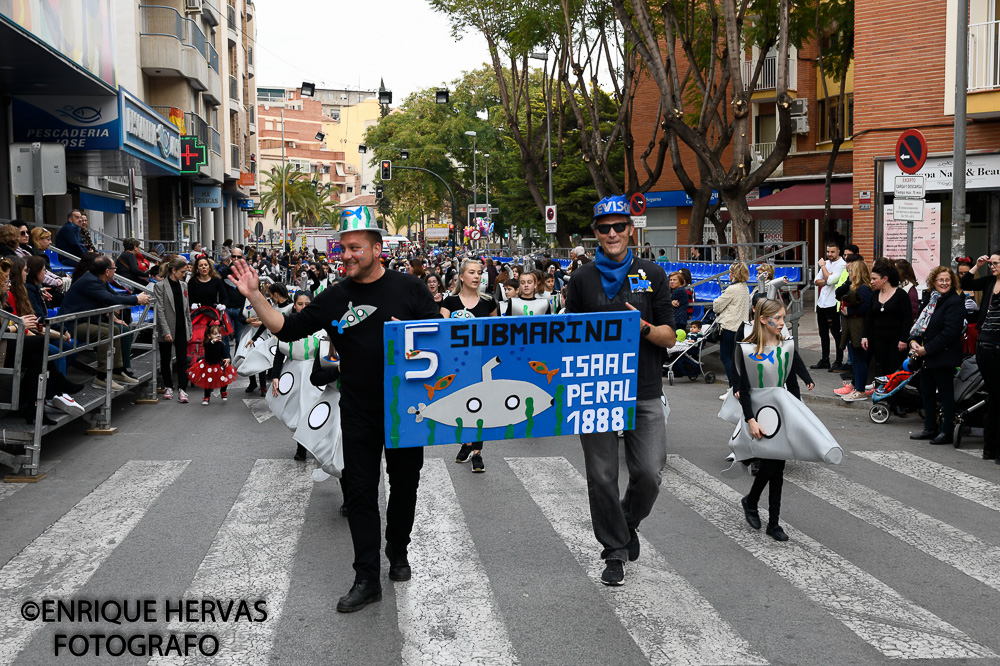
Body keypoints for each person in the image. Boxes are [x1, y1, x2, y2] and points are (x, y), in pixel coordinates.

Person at [227, 205, 440, 613]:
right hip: (357, 408)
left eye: (355, 248)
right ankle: (366, 577)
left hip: (407, 410)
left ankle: (398, 548)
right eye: (342, 249)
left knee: (406, 485)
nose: (346, 255)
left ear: (377, 249)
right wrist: (254, 294)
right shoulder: (335, 296)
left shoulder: (410, 289)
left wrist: (414, 336)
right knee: (359, 491)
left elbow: (444, 340)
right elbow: (287, 329)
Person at [565, 194, 675, 586]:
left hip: (643, 389)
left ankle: (628, 524)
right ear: (595, 234)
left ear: (630, 229)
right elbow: (566, 335)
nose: (611, 233)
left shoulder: (654, 275)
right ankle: (613, 549)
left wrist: (641, 326)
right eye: (603, 228)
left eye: (618, 226)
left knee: (649, 472)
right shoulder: (581, 279)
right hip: (594, 390)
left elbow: (670, 336)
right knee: (602, 476)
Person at [733, 299, 817, 542]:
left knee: (776, 467)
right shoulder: (747, 349)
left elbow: (790, 380)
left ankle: (770, 519)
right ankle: (755, 505)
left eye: (783, 318)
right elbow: (744, 388)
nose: (782, 323)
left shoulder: (786, 346)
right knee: (773, 466)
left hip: (780, 411)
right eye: (778, 318)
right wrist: (750, 419)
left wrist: (797, 411)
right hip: (760, 414)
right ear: (762, 319)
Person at [440, 258, 498, 473]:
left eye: (479, 272)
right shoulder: (450, 303)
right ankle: (466, 442)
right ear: (461, 276)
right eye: (472, 272)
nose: (476, 276)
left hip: (481, 362)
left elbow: (498, 333)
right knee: (463, 405)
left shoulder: (489, 302)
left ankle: (477, 453)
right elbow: (439, 329)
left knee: (481, 406)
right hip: (457, 364)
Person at [58, 255, 150, 390]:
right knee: (106, 333)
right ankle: (101, 377)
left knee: (117, 329)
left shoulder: (99, 279)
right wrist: (136, 299)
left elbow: (115, 296)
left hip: (86, 320)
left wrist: (135, 298)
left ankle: (117, 371)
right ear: (107, 271)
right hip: (71, 324)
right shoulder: (90, 281)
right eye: (114, 268)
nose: (115, 271)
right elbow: (109, 298)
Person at [908, 266, 966, 445]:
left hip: (943, 356)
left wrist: (927, 349)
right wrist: (913, 341)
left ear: (952, 282)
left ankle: (946, 431)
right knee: (927, 393)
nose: (944, 283)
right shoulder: (930, 299)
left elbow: (950, 332)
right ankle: (929, 428)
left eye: (947, 280)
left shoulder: (955, 301)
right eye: (940, 280)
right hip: (926, 356)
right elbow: (920, 323)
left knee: (946, 394)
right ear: (933, 281)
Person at [862, 258, 912, 416]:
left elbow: (907, 318)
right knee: (884, 370)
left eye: (874, 279)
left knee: (895, 372)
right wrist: (865, 336)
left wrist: (904, 339)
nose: (872, 281)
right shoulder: (874, 295)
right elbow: (869, 317)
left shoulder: (901, 295)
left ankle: (897, 402)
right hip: (878, 339)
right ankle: (889, 400)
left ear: (885, 279)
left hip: (897, 341)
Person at [962, 253, 1000, 459]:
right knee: (995, 397)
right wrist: (977, 265)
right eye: (991, 263)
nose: (992, 266)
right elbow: (965, 281)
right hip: (986, 346)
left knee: (995, 399)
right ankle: (993, 449)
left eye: (995, 263)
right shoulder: (989, 282)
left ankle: (990, 448)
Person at [153, 257, 192, 404]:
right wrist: (165, 330)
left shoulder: (183, 286)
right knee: (165, 358)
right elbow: (160, 310)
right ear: (173, 271)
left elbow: (186, 308)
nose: (184, 274)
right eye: (182, 272)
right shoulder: (160, 286)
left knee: (183, 359)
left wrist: (189, 327)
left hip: (182, 327)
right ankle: (168, 386)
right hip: (167, 327)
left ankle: (183, 389)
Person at [834, 260, 873, 402]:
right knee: (856, 361)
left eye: (850, 271)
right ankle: (857, 388)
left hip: (859, 331)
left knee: (859, 361)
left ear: (856, 273)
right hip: (854, 330)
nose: (848, 273)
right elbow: (838, 294)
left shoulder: (864, 289)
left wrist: (849, 311)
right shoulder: (855, 287)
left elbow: (868, 308)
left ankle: (860, 390)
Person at [713, 262, 751, 396]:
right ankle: (737, 386)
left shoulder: (732, 289)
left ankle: (733, 388)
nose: (729, 274)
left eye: (730, 272)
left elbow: (717, 306)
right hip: (741, 327)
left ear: (734, 274)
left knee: (726, 357)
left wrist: (716, 301)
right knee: (735, 359)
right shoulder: (745, 288)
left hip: (729, 326)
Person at [812, 241, 847, 371]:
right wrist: (827, 278)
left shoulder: (842, 265)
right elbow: (816, 281)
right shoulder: (826, 264)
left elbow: (831, 280)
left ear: (838, 251)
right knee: (822, 333)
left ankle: (838, 361)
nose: (829, 254)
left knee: (836, 333)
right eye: (827, 252)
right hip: (822, 302)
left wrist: (824, 269)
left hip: (834, 303)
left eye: (832, 252)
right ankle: (824, 359)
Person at [188, 323, 235, 405]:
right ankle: (206, 397)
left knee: (225, 379)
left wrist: (227, 358)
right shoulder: (207, 343)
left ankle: (223, 391)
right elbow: (207, 346)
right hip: (208, 365)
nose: (218, 335)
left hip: (218, 364)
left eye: (219, 333)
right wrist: (212, 341)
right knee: (208, 382)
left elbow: (224, 354)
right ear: (209, 336)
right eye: (215, 334)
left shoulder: (221, 344)